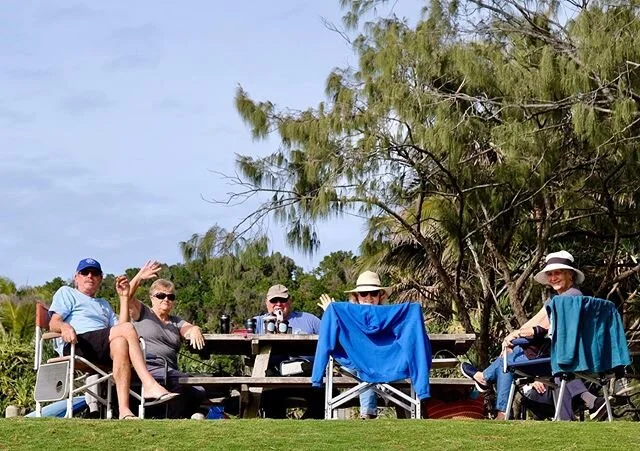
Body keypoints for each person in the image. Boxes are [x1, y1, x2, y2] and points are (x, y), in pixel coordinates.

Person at [460, 251, 608, 420]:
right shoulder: (560, 299)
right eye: (550, 274)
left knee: (506, 363)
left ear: (570, 275)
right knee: (509, 357)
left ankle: (490, 390)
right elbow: (533, 322)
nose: (553, 277)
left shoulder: (570, 298)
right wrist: (513, 336)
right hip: (565, 356)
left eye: (557, 272)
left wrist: (516, 338)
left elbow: (545, 328)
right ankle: (488, 386)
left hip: (558, 358)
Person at [48, 258, 178, 420]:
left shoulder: (103, 304)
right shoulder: (67, 292)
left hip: (102, 346)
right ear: (76, 277)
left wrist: (123, 297)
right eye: (85, 273)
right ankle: (149, 383)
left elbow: (122, 328)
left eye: (95, 273)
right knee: (127, 330)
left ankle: (124, 411)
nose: (90, 276)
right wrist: (64, 327)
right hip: (78, 343)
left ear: (100, 279)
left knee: (121, 342)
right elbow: (53, 323)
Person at [122, 260, 207, 418]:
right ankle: (178, 417)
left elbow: (188, 329)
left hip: (171, 370)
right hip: (147, 365)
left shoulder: (175, 321)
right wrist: (140, 277)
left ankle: (183, 416)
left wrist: (195, 329)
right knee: (187, 385)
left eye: (170, 296)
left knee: (199, 389)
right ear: (152, 298)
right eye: (161, 295)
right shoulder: (143, 312)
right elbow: (126, 295)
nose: (166, 299)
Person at [317, 270, 391, 419]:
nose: (368, 298)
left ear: (380, 295)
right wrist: (331, 314)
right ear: (356, 297)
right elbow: (335, 336)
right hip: (353, 364)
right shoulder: (347, 315)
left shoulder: (389, 315)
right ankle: (368, 412)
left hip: (384, 362)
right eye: (363, 294)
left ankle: (369, 412)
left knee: (367, 366)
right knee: (364, 366)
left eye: (373, 293)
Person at [254, 284, 323, 419]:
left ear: (290, 301)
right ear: (267, 303)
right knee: (269, 398)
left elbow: (330, 338)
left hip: (307, 379)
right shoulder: (258, 322)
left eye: (282, 300)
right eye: (274, 301)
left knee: (326, 394)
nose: (278, 304)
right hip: (273, 380)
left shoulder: (309, 320)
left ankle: (304, 429)